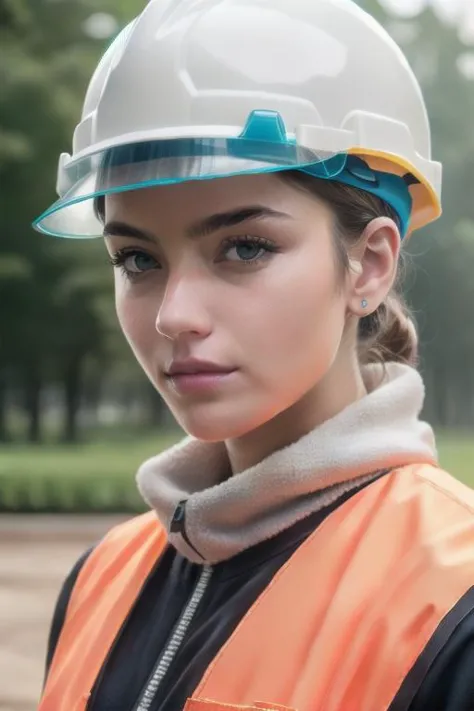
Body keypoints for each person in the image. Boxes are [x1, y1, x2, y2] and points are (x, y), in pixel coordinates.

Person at [35, 1, 474, 709]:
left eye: (244, 247)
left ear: (368, 266)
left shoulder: (454, 602)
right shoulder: (100, 579)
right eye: (137, 258)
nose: (175, 314)